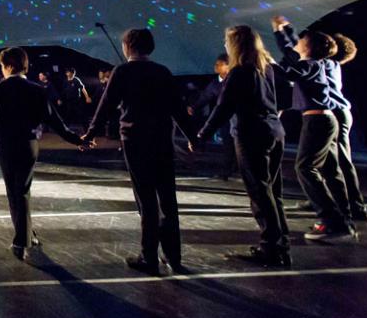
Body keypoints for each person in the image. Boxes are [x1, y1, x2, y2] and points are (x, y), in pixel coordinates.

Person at [0, 47, 87, 260]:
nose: (2, 70)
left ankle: (21, 240)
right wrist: (77, 139)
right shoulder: (37, 90)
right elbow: (56, 122)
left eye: (3, 66)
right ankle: (26, 234)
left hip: (6, 144)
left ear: (9, 66)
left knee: (14, 191)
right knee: (22, 190)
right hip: (29, 144)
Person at [82, 28, 197, 276]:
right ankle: (173, 256)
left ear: (127, 47)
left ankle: (148, 256)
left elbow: (106, 106)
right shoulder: (163, 71)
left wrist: (90, 134)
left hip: (136, 140)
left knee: (145, 198)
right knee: (167, 197)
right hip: (163, 140)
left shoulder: (122, 71)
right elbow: (178, 108)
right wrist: (193, 137)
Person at [195, 27, 290, 267]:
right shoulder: (265, 67)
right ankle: (281, 246)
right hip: (275, 131)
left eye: (227, 41)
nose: (225, 45)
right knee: (272, 192)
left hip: (251, 134)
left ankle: (270, 249)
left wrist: (202, 134)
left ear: (235, 45)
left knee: (259, 192)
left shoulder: (239, 72)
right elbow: (284, 95)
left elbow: (223, 107)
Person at [271, 16, 355, 242]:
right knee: (326, 169)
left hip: (318, 122)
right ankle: (341, 220)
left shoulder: (310, 65)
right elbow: (291, 56)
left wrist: (268, 54)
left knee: (305, 168)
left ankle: (333, 221)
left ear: (308, 48)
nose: (298, 42)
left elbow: (287, 68)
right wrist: (283, 31)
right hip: (324, 121)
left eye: (302, 40)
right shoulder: (316, 64)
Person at [328, 34, 367, 221]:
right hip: (338, 113)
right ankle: (335, 199)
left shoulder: (328, 65)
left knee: (342, 160)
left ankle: (356, 205)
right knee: (329, 161)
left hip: (336, 113)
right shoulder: (331, 66)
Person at [188, 54, 235, 179]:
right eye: (216, 64)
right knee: (228, 144)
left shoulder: (235, 80)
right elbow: (205, 97)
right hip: (226, 119)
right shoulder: (216, 82)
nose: (216, 66)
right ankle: (227, 170)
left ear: (228, 66)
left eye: (220, 64)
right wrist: (193, 107)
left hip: (238, 118)